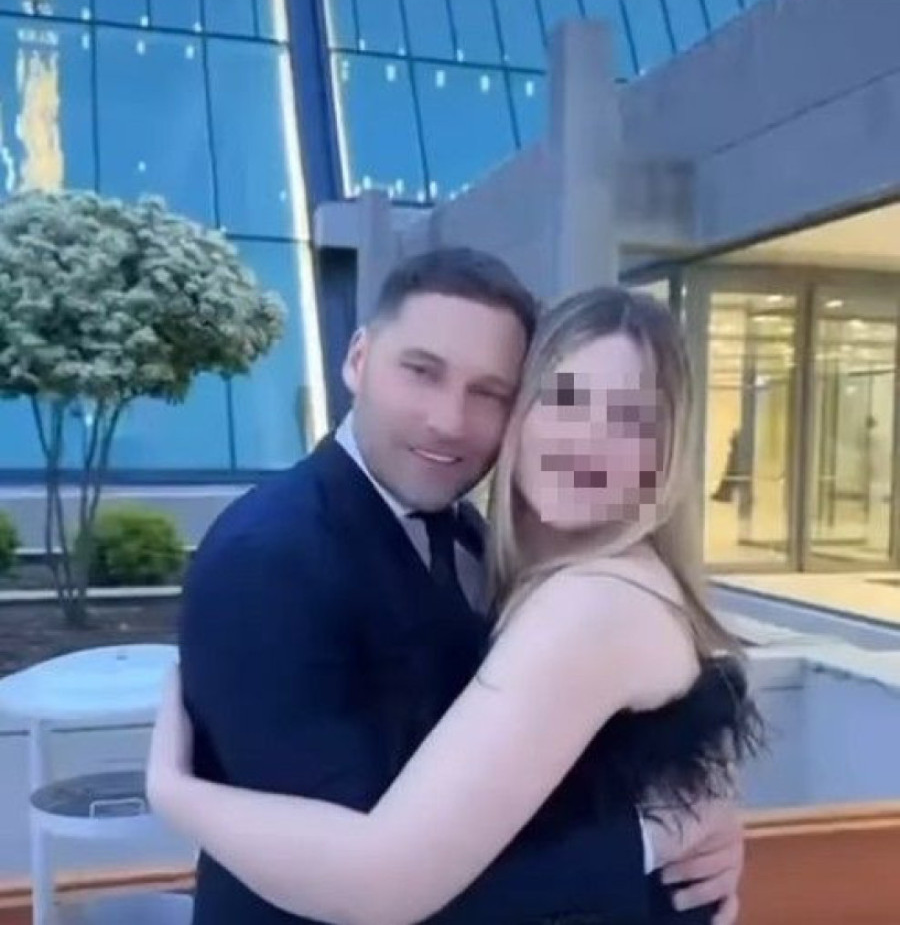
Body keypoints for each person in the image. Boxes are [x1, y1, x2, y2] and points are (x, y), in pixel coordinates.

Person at [150, 253, 752, 925]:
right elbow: (368, 872)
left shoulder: (571, 588)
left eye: (488, 391)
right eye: (422, 371)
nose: (448, 420)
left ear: (665, 453)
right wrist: (648, 839)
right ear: (357, 359)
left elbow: (397, 877)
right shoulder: (269, 557)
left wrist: (174, 793)